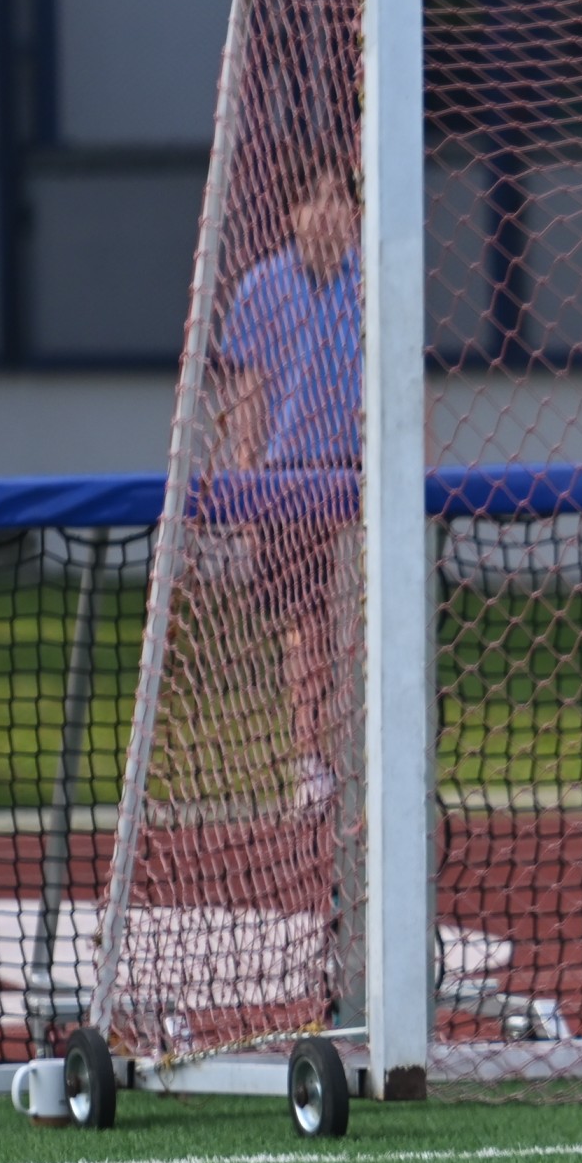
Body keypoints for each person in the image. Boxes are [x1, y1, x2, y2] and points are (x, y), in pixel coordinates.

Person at [215, 163, 364, 811]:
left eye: (341, 197)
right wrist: (249, 488)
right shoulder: (261, 286)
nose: (330, 210)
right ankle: (310, 759)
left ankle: (364, 750)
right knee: (307, 628)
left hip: (359, 471)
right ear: (291, 213)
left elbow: (411, 385)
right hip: (288, 477)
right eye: (317, 198)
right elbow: (248, 397)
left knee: (359, 624)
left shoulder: (375, 279)